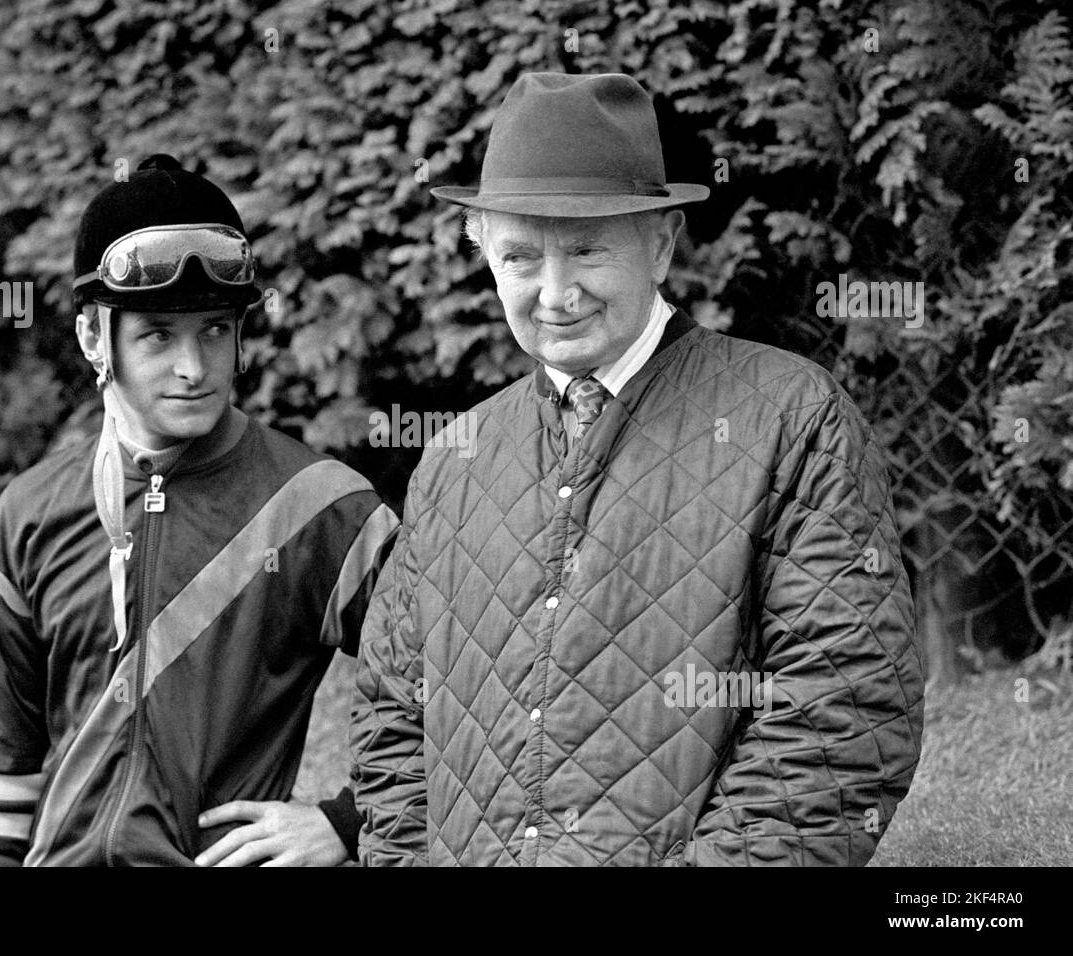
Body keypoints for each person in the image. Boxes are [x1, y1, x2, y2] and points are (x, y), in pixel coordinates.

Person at [351, 73, 924, 866]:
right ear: (482, 250)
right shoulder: (454, 458)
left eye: (586, 248)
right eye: (519, 256)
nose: (555, 294)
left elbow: (843, 706)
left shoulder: (791, 415)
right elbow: (391, 724)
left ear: (661, 243)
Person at [0, 154, 398, 866]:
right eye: (158, 335)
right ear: (95, 338)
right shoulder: (29, 514)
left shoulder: (320, 506)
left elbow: (465, 686)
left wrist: (346, 823)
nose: (195, 367)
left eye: (215, 330)